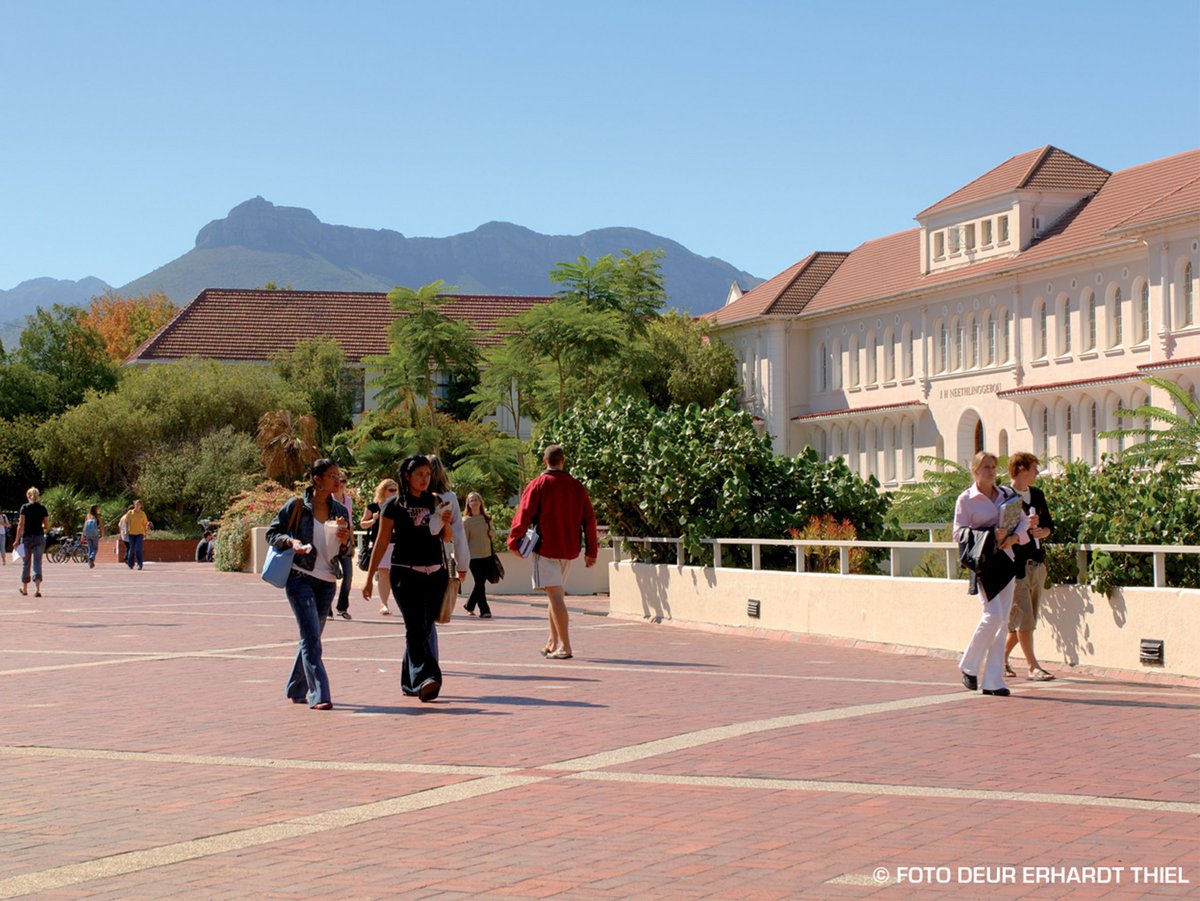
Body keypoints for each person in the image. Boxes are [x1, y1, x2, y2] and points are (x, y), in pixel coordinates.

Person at [362, 455, 452, 702]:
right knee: (414, 627)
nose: (425, 479)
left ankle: (409, 683)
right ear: (407, 476)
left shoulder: (435, 501)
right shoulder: (393, 505)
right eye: (419, 474)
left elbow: (446, 537)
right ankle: (427, 678)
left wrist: (445, 523)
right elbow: (381, 542)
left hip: (435, 574)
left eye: (428, 474)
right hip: (405, 573)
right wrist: (369, 578)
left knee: (423, 627)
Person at [266, 458, 351, 711]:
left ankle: (296, 687)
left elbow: (346, 552)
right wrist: (290, 542)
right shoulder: (296, 506)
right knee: (312, 637)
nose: (337, 480)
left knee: (311, 637)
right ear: (317, 479)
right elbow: (272, 533)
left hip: (327, 581)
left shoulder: (340, 511)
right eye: (331, 476)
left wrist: (345, 542)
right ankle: (320, 694)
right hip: (299, 576)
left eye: (338, 475)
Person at [508, 444, 598, 660]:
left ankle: (565, 646)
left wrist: (513, 542)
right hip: (568, 549)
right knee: (553, 594)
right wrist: (591, 550)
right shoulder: (576, 486)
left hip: (546, 548)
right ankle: (552, 641)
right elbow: (589, 519)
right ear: (562, 461)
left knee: (556, 596)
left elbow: (524, 513)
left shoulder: (538, 484)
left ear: (544, 461)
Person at [955, 451, 1032, 697]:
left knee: (1002, 619)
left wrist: (1014, 537)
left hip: (1006, 560)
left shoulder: (1006, 494)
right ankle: (969, 665)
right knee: (994, 615)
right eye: (985, 467)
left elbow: (1023, 521)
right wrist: (990, 534)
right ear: (975, 470)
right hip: (984, 562)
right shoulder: (966, 499)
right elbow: (958, 533)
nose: (990, 471)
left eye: (993, 466)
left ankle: (993, 681)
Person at [1004, 452, 1056, 681]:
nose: (1037, 472)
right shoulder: (1006, 496)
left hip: (1037, 564)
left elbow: (1049, 527)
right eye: (1034, 468)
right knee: (1025, 619)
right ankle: (1032, 667)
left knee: (1028, 620)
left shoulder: (1037, 495)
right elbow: (1005, 531)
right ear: (1022, 469)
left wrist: (1042, 531)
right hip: (1017, 566)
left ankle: (1000, 657)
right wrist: (1024, 527)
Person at [426, 455, 470, 591]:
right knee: (441, 597)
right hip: (442, 555)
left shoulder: (413, 496)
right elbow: (458, 532)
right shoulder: (449, 497)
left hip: (417, 558)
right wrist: (462, 565)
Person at [360, 479, 399, 615]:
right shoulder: (373, 506)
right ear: (383, 491)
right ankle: (384, 604)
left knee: (396, 574)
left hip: (396, 543)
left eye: (396, 490)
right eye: (391, 490)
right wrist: (374, 519)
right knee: (383, 572)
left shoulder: (399, 506)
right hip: (379, 543)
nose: (394, 493)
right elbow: (362, 524)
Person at [463, 492, 495, 618]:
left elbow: (492, 534)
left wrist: (492, 533)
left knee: (480, 583)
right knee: (480, 583)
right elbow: (464, 541)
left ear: (480, 502)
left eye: (476, 499)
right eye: (471, 500)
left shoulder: (486, 517)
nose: (474, 502)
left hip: (487, 555)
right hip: (473, 557)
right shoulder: (466, 521)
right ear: (468, 504)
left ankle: (469, 605)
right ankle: (485, 610)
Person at [15, 487, 50, 597]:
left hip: (26, 537)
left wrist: (16, 540)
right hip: (39, 537)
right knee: (37, 562)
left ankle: (25, 589)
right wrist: (40, 526)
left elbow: (21, 525)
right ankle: (37, 589)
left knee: (26, 563)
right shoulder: (43, 508)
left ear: (28, 496)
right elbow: (47, 526)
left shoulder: (24, 507)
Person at [332, 476, 356, 620]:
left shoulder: (348, 501)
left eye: (343, 482)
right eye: (338, 481)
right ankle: (326, 608)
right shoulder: (328, 499)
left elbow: (350, 524)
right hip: (331, 543)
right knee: (330, 575)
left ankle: (342, 607)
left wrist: (352, 543)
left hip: (345, 542)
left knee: (348, 575)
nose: (341, 484)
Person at [125, 500, 152, 570]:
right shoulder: (130, 512)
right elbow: (126, 522)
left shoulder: (143, 514)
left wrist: (145, 532)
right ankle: (130, 564)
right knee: (131, 549)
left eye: (138, 504)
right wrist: (126, 530)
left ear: (141, 506)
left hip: (140, 534)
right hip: (131, 533)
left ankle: (139, 564)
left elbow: (145, 524)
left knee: (138, 549)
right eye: (136, 504)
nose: (137, 506)